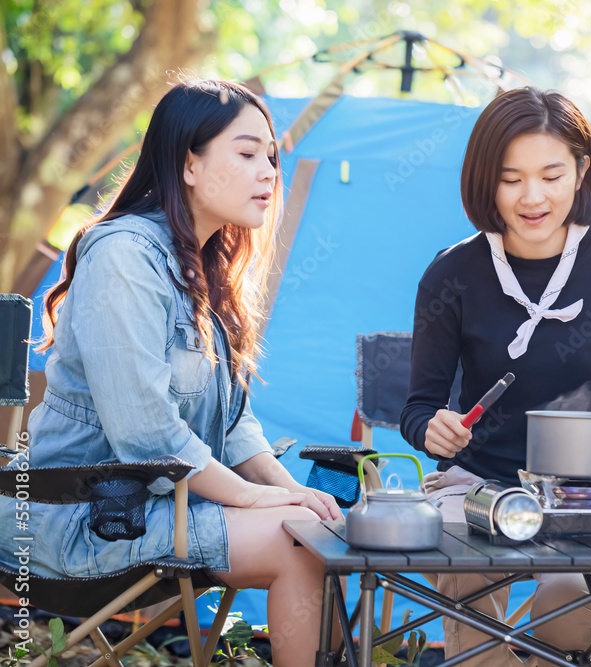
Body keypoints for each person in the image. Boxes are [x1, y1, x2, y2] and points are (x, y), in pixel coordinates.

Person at [0, 79, 342, 666]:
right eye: (247, 152)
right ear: (189, 162)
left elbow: (234, 426)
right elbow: (145, 432)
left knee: (322, 525)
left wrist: (293, 493)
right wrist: (253, 500)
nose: (269, 172)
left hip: (155, 512)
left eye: (272, 157)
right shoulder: (123, 257)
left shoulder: (205, 272)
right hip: (77, 519)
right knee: (299, 545)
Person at [400, 86, 591, 666]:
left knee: (570, 595)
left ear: (583, 171)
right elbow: (420, 409)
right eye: (511, 179)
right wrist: (432, 431)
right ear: (485, 180)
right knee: (467, 578)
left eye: (552, 175)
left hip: (588, 495)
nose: (532, 197)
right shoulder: (451, 275)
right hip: (475, 487)